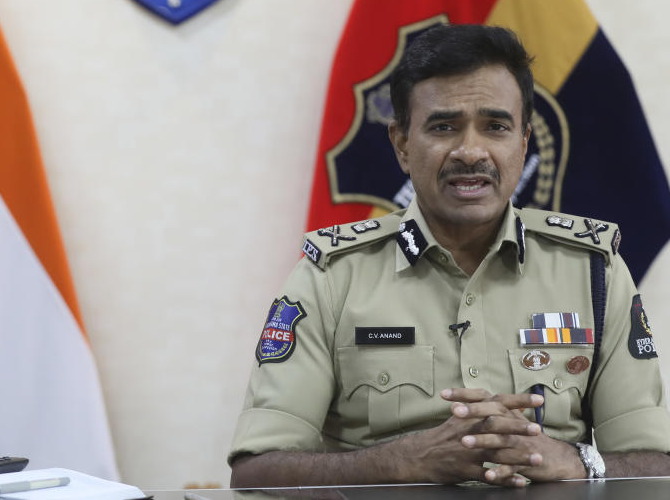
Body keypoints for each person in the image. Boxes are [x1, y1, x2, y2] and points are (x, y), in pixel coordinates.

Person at [228, 24, 670, 488]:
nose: (470, 151)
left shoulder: (593, 271)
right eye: (444, 127)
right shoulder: (332, 275)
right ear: (401, 143)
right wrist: (395, 463)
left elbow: (656, 469)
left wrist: (577, 462)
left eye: (496, 127)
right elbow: (256, 473)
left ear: (522, 145)